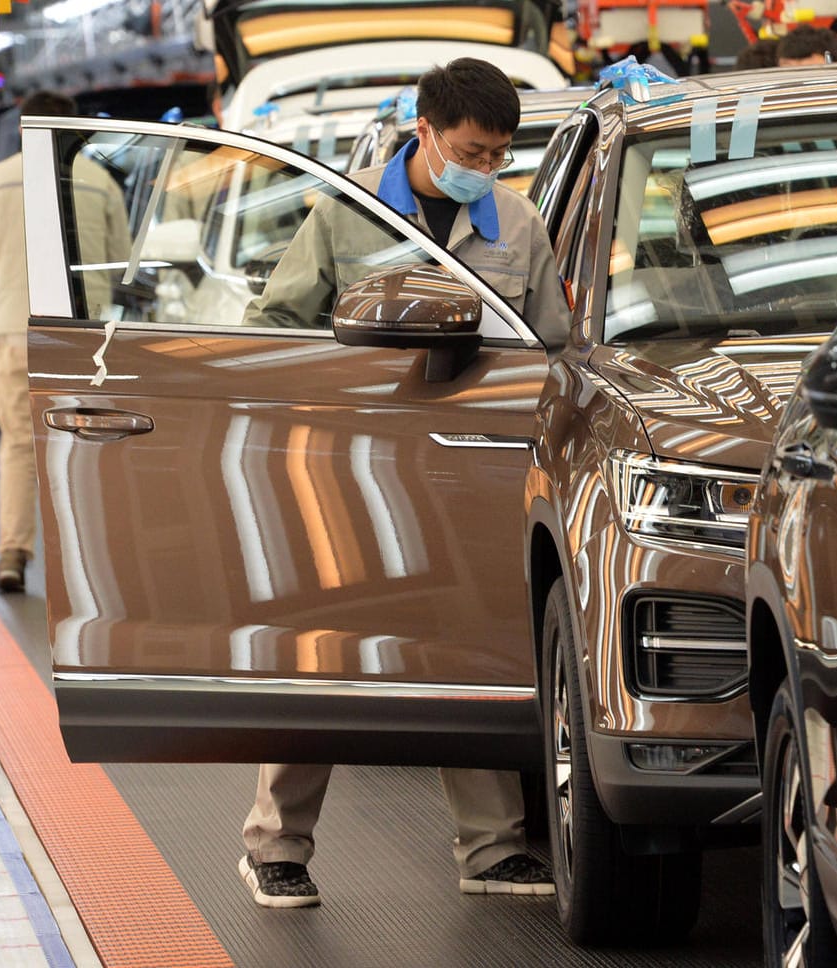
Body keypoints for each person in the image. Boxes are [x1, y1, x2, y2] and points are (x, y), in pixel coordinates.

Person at [237, 57, 568, 909]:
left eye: (499, 155)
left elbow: (554, 351)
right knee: (328, 648)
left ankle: (491, 848)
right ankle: (275, 845)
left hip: (468, 468)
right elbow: (274, 327)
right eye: (471, 150)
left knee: (470, 643)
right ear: (425, 130)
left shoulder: (519, 225)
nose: (484, 169)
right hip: (351, 470)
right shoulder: (347, 215)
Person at [0, 91, 132, 594]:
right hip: (83, 341)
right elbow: (123, 263)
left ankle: (13, 555)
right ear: (74, 131)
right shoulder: (101, 183)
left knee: (18, 444)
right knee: (82, 450)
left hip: (16, 331)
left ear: (22, 129)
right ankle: (85, 565)